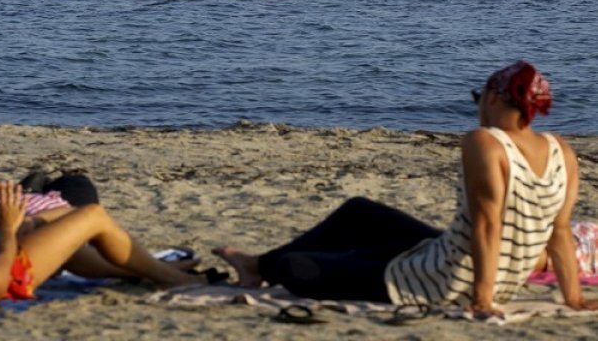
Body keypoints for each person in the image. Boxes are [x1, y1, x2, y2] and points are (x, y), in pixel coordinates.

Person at [214, 60, 598, 317]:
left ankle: (263, 266)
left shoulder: (485, 142)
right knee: (360, 212)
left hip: (445, 281)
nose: (478, 107)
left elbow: (487, 224)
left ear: (494, 98)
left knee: (295, 269)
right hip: (476, 267)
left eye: (478, 98)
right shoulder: (561, 150)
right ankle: (254, 265)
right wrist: (573, 298)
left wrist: (482, 298)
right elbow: (559, 232)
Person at [0, 182, 205, 316]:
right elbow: (4, 256)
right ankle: (172, 277)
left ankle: (140, 270)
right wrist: (9, 227)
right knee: (92, 216)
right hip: (14, 270)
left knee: (67, 241)